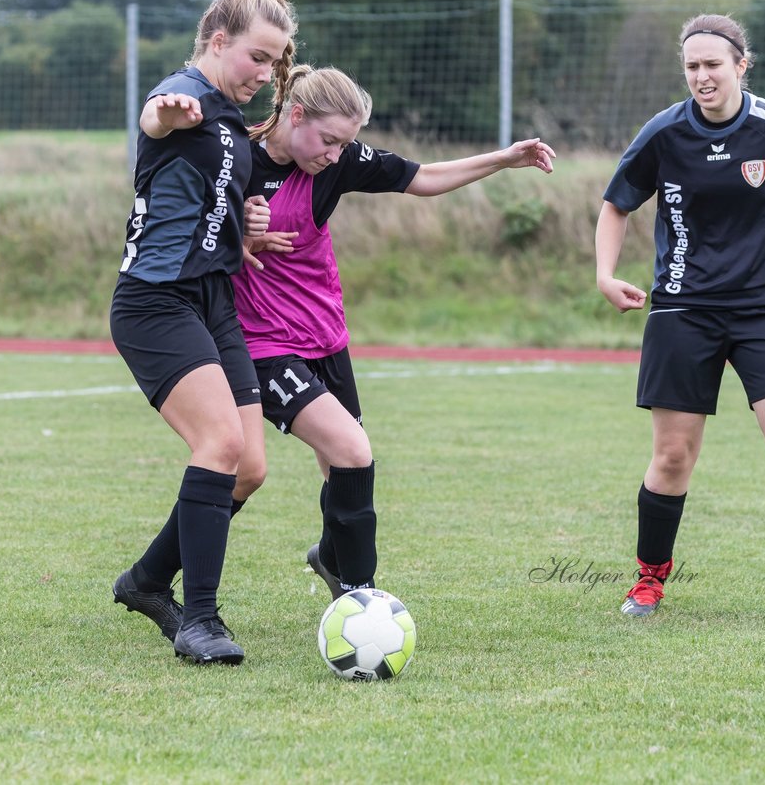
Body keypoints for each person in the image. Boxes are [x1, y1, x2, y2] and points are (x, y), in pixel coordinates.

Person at [230, 64, 555, 600]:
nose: (335, 155)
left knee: (344, 472)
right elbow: (192, 222)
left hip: (326, 337)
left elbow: (421, 178)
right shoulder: (235, 158)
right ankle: (360, 596)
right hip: (264, 344)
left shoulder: (336, 161)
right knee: (352, 451)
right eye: (329, 140)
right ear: (295, 114)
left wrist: (503, 159)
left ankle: (332, 562)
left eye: (345, 145)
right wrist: (238, 230)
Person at [594, 13, 765, 623]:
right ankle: (649, 581)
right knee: (672, 457)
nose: (701, 76)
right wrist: (605, 275)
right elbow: (615, 206)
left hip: (764, 308)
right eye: (691, 66)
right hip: (682, 309)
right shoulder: (663, 133)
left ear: (742, 65)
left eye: (713, 64)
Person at [107, 0, 297, 665]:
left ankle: (149, 581)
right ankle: (201, 622)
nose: (266, 74)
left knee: (248, 468)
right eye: (257, 57)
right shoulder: (184, 96)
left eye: (276, 63)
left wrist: (247, 224)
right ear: (219, 42)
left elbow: (220, 203)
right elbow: (156, 120)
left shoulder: (228, 120)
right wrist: (167, 109)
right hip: (155, 302)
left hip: (213, 300)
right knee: (218, 444)